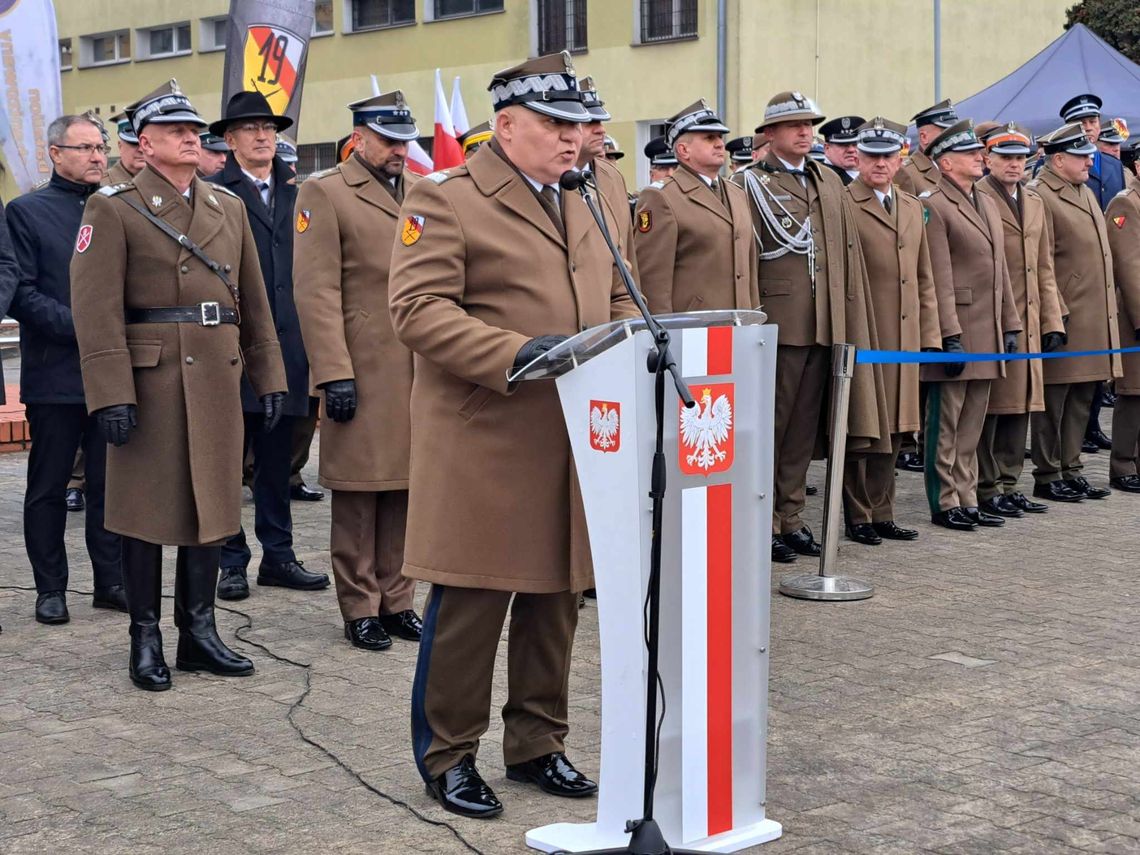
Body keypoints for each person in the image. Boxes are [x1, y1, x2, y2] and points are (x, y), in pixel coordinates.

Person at [390, 51, 637, 819]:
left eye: (579, 125)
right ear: (505, 126)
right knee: (473, 601)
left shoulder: (592, 194)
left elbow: (619, 295)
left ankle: (537, 743)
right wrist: (515, 353)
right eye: (556, 125)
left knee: (556, 597)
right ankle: (447, 755)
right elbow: (418, 309)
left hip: (577, 435)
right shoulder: (446, 197)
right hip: (487, 433)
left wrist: (634, 350)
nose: (574, 138)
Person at [70, 79, 287, 691]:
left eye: (195, 130)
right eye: (175, 131)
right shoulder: (113, 206)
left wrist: (268, 371)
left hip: (218, 375)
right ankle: (146, 636)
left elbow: (254, 298)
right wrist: (111, 391)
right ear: (144, 144)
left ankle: (199, 631)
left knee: (212, 508)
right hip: (153, 378)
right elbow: (94, 307)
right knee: (146, 513)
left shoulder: (229, 206)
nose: (192, 138)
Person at [293, 90, 424, 651]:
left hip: (418, 368)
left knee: (406, 489)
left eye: (404, 140)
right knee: (358, 494)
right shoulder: (323, 192)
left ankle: (398, 600)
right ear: (359, 138)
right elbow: (316, 291)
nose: (400, 149)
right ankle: (358, 605)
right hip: (362, 367)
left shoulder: (422, 192)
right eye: (390, 140)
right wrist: (332, 372)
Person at [735, 90, 889, 563]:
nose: (806, 132)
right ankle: (761, 523)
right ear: (770, 134)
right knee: (772, 427)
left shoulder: (825, 179)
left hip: (824, 320)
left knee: (804, 430)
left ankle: (792, 517)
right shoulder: (749, 183)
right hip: (779, 322)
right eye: (794, 125)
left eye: (809, 125)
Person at [205, 91, 329, 600]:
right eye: (251, 128)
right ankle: (230, 560)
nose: (263, 136)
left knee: (278, 462)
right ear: (229, 140)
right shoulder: (213, 193)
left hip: (290, 349)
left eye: (269, 128)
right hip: (234, 349)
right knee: (229, 462)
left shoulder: (301, 195)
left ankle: (278, 556)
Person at [7, 114, 124, 624]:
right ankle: (50, 587)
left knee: (109, 484)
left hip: (115, 372)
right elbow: (21, 292)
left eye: (101, 148)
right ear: (55, 154)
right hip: (56, 373)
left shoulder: (119, 209)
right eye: (85, 148)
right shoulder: (25, 212)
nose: (97, 156)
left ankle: (111, 581)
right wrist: (85, 327)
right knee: (49, 486)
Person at [920, 119, 1021, 531]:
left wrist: (1010, 324)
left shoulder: (988, 202)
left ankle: (967, 493)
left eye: (978, 153)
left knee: (973, 422)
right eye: (969, 154)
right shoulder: (933, 205)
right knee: (945, 422)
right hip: (959, 328)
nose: (980, 157)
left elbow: (1001, 272)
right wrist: (948, 336)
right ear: (945, 163)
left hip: (988, 328)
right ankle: (944, 500)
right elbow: (938, 276)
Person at [841, 118, 939, 545]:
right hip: (866, 333)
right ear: (858, 158)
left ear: (900, 157)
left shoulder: (911, 205)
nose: (881, 163)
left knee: (899, 428)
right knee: (863, 427)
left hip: (905, 332)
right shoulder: (844, 203)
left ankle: (884, 510)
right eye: (872, 156)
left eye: (888, 155)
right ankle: (858, 514)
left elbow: (924, 277)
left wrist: (930, 336)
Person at [975, 124, 1065, 518]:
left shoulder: (1033, 201)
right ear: (987, 159)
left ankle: (1010, 483)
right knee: (992, 407)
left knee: (1022, 404)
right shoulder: (978, 198)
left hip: (1029, 318)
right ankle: (985, 485)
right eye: (1005, 157)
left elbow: (1043, 267)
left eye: (1019, 158)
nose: (1014, 164)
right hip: (993, 318)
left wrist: (1052, 321)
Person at [1029, 122, 1121, 502]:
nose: (1090, 162)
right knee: (1055, 399)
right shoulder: (1041, 196)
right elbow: (1041, 261)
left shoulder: (1081, 190)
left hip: (1092, 315)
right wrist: (1054, 314)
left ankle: (1072, 467)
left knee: (1083, 396)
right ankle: (1048, 474)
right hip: (1065, 316)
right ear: (1059, 159)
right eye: (1082, 156)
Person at [634, 99, 756, 314]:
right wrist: (662, 335)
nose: (720, 143)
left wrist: (753, 318)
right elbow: (652, 281)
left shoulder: (736, 193)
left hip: (738, 326)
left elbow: (749, 269)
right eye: (709, 138)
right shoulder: (661, 197)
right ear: (683, 150)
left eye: (719, 136)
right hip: (694, 331)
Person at [576, 77, 638, 260]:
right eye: (590, 122)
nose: (601, 130)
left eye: (601, 122)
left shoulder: (613, 176)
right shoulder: (550, 176)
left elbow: (627, 252)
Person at [1105, 182, 1140, 493]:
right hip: (1133, 315)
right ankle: (1123, 465)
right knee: (1133, 393)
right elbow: (1130, 267)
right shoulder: (1126, 203)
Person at [897, 99, 957, 196]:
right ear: (924, 137)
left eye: (953, 133)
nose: (951, 138)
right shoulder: (906, 172)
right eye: (945, 133)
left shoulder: (954, 165)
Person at [818, 115, 864, 185]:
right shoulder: (820, 177)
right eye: (844, 145)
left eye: (855, 144)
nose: (851, 150)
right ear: (827, 149)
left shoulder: (868, 173)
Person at [105, 110, 144, 185]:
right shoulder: (100, 185)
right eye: (134, 143)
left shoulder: (166, 181)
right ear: (120, 146)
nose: (141, 150)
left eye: (146, 143)